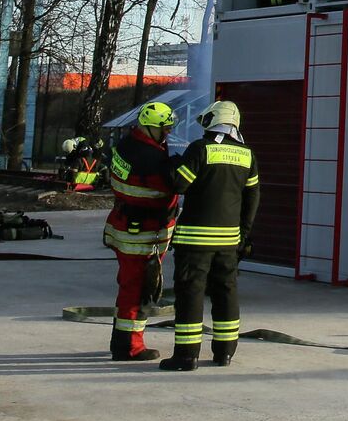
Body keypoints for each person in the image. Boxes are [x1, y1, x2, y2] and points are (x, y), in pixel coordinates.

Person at [162, 99, 261, 371]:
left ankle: (186, 356)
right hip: (229, 241)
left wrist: (172, 162)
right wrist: (243, 236)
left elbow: (179, 183)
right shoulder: (246, 154)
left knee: (191, 294)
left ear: (212, 120)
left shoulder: (199, 149)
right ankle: (225, 352)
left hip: (195, 240)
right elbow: (253, 198)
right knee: (226, 293)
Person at [102, 102, 180, 361]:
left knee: (128, 286)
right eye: (164, 128)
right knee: (139, 289)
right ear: (149, 127)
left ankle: (120, 341)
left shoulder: (127, 145)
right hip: (142, 232)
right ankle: (130, 347)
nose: (168, 133)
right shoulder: (149, 158)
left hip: (125, 225)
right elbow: (171, 184)